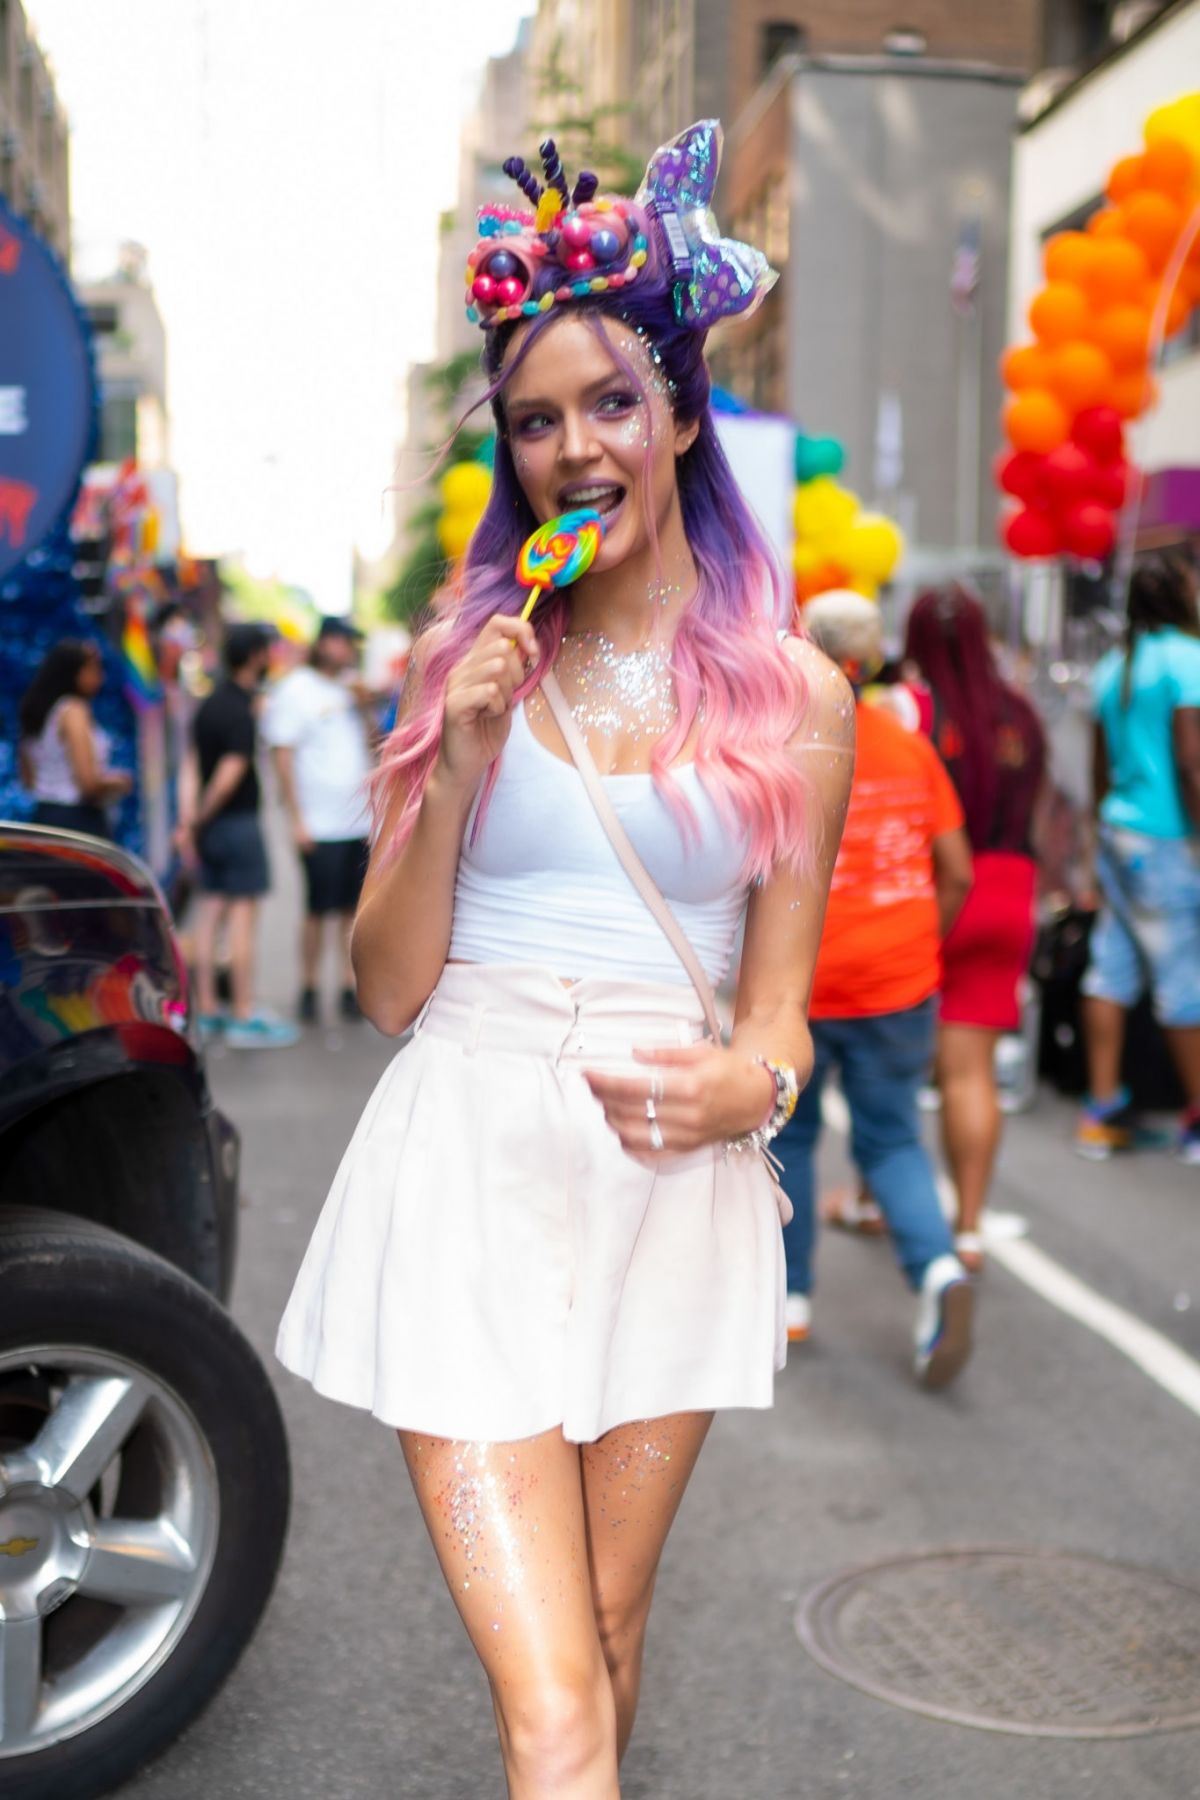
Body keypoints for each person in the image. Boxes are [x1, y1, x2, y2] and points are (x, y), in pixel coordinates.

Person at [275, 122, 854, 1795]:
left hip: (667, 1191)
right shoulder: (462, 661)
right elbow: (387, 988)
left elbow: (781, 1017)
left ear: (682, 415)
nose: (575, 445)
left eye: (612, 404)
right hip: (463, 1160)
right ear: (510, 455)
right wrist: (455, 762)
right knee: (550, 1710)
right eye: (537, 419)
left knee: (602, 1637)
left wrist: (748, 1082)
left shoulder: (800, 701)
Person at [775, 591, 975, 1387]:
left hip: (804, 983)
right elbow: (955, 870)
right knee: (891, 1140)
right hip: (901, 980)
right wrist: (922, 942)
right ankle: (938, 1272)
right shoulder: (907, 745)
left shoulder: (784, 746)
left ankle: (788, 1299)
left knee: (788, 1141)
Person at [903, 586, 1046, 1271]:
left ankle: (881, 1200)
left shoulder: (915, 714)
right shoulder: (1019, 713)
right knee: (971, 1075)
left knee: (892, 1067)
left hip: (929, 892)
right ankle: (967, 1229)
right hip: (1008, 894)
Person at [1077, 552, 1200, 1162]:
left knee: (1112, 967)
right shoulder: (1187, 659)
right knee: (1181, 978)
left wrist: (1100, 835)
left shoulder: (1112, 667)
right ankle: (1197, 1118)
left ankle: (1100, 1110)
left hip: (1117, 833)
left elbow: (1098, 768)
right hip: (1167, 836)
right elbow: (1191, 760)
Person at [177, 622, 297, 1050]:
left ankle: (208, 1008)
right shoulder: (242, 711)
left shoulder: (208, 706)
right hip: (239, 825)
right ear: (255, 656)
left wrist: (190, 821)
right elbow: (230, 775)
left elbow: (191, 768)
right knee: (243, 918)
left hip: (212, 830)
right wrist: (202, 816)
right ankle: (243, 1013)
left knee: (209, 917)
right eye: (267, 651)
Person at [264, 616, 374, 1024]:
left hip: (356, 822)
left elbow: (370, 745)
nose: (351, 652)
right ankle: (308, 986)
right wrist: (296, 818)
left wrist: (364, 708)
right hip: (319, 823)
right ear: (327, 642)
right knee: (317, 909)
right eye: (347, 643)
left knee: (351, 909)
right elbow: (283, 755)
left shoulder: (350, 690)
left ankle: (348, 985)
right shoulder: (295, 690)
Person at [18, 640, 132, 836]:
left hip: (43, 818)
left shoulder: (39, 713)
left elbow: (28, 780)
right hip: (77, 822)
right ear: (75, 673)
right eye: (94, 669)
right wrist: (119, 782)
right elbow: (88, 784)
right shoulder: (73, 710)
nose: (100, 677)